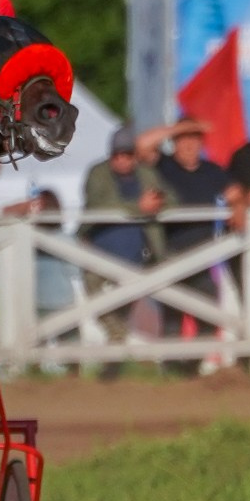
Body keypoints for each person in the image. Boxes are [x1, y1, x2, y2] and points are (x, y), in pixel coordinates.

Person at [82, 124, 168, 365]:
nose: (122, 160)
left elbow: (168, 196)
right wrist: (137, 207)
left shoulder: (146, 174)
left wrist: (159, 201)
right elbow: (96, 205)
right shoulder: (97, 173)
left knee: (127, 305)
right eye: (117, 155)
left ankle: (116, 359)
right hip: (99, 250)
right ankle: (117, 343)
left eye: (127, 154)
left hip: (136, 254)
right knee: (97, 300)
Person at [153, 118, 230, 355]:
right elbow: (143, 144)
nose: (189, 145)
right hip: (170, 256)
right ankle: (172, 369)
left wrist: (237, 205)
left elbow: (235, 192)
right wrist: (180, 128)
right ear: (174, 143)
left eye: (194, 140)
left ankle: (196, 366)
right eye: (183, 140)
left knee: (208, 315)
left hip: (203, 259)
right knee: (172, 318)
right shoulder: (163, 167)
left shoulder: (212, 171)